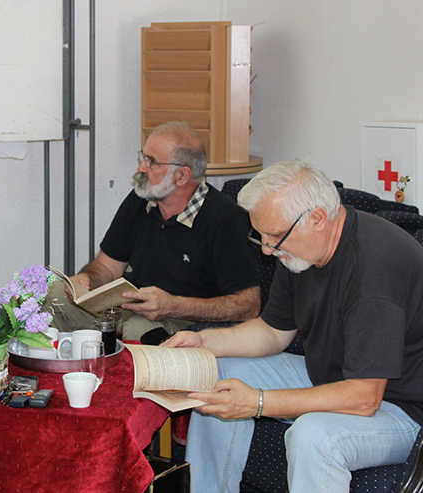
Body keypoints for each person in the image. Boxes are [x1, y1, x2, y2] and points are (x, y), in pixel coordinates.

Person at [165, 160, 423, 493]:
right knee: (218, 373)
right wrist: (205, 342)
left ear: (318, 218)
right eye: (261, 236)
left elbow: (364, 398)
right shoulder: (300, 250)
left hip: (401, 409)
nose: (267, 249)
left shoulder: (373, 273)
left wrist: (257, 402)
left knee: (313, 435)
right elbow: (272, 332)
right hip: (335, 377)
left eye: (274, 236)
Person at [50, 121, 260, 340]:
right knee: (53, 295)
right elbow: (107, 267)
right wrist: (86, 279)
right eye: (143, 157)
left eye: (151, 162)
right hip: (134, 306)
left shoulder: (225, 219)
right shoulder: (140, 200)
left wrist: (175, 306)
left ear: (182, 175)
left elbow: (248, 305)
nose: (141, 168)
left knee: (140, 329)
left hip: (192, 319)